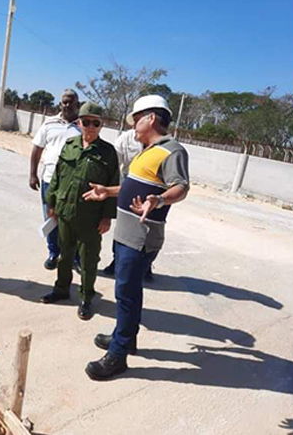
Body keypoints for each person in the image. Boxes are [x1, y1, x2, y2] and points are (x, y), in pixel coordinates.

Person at [80, 95, 189, 379]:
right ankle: (125, 337)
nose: (133, 127)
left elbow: (181, 187)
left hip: (141, 237)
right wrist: (108, 191)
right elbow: (132, 185)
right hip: (127, 234)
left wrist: (159, 200)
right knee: (129, 291)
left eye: (136, 119)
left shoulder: (172, 151)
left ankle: (118, 356)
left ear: (151, 118)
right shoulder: (146, 150)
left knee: (125, 293)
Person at [40, 102, 119, 321]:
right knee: (64, 255)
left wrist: (107, 217)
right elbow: (57, 174)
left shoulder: (108, 152)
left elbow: (114, 183)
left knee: (88, 260)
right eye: (87, 122)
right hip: (65, 211)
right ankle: (61, 289)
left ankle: (86, 298)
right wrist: (51, 203)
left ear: (101, 125)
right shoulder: (70, 144)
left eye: (96, 123)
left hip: (91, 217)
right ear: (79, 123)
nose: (91, 127)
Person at [29, 90, 83, 272]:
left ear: (78, 104)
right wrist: (33, 174)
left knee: (73, 220)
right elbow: (37, 149)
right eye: (64, 102)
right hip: (49, 179)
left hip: (73, 183)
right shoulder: (49, 123)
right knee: (51, 217)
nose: (67, 105)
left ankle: (75, 257)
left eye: (71, 102)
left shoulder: (83, 126)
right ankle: (53, 253)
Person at [99, 128, 155, 282]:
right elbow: (115, 161)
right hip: (128, 185)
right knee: (123, 227)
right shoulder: (127, 138)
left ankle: (147, 265)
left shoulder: (163, 143)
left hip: (152, 190)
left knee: (148, 228)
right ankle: (117, 261)